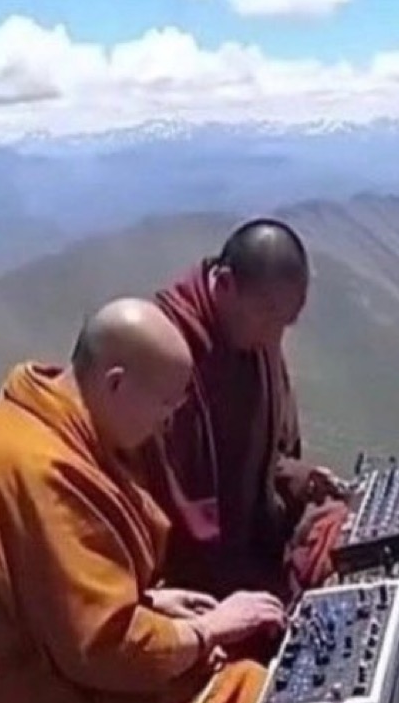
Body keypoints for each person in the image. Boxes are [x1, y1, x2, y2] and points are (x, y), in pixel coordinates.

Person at [0, 298, 286, 703]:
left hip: (62, 679)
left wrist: (148, 603)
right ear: (116, 383)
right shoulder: (44, 469)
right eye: (165, 403)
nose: (168, 421)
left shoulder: (27, 416)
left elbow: (49, 589)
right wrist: (204, 631)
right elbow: (103, 647)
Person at [146, 218, 349, 602]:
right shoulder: (167, 352)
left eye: (286, 322)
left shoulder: (255, 336)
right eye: (267, 316)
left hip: (259, 541)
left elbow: (265, 455)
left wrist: (298, 477)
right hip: (201, 577)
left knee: (341, 532)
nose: (274, 336)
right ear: (224, 285)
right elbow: (171, 503)